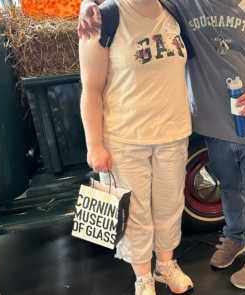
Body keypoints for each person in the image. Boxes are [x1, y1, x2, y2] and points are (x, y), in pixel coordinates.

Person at [78, 0, 245, 289]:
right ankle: (145, 278)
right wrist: (87, 4)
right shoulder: (124, 15)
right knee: (142, 211)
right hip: (139, 135)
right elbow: (91, 86)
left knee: (180, 205)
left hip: (200, 130)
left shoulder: (186, 10)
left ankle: (177, 264)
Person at [78, 0, 194, 294]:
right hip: (124, 139)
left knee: (170, 207)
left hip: (173, 132)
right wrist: (94, 145)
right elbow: (90, 89)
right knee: (135, 214)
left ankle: (165, 265)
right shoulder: (103, 18)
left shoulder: (175, 11)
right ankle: (143, 277)